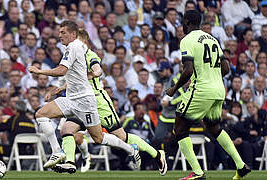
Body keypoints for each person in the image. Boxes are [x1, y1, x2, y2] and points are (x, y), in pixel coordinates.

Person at [48, 29, 167, 174]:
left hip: (99, 102)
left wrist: (91, 75)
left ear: (83, 42)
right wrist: (60, 88)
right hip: (81, 103)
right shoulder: (75, 58)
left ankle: (157, 154)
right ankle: (70, 163)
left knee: (122, 136)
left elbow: (98, 71)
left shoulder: (90, 55)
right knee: (66, 130)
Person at [27, 21, 140, 173]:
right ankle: (57, 152)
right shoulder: (73, 47)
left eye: (63, 32)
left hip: (85, 100)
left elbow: (62, 70)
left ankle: (130, 149)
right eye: (59, 32)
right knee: (41, 114)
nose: (59, 35)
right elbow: (69, 74)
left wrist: (39, 71)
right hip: (72, 98)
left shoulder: (74, 46)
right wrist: (56, 90)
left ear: (73, 35)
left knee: (98, 138)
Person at [165, 10, 250, 180]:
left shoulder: (187, 40)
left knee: (180, 127)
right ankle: (241, 166)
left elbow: (188, 70)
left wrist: (174, 89)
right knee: (214, 127)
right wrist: (213, 79)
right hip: (219, 89)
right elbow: (225, 68)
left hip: (202, 89)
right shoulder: (212, 39)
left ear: (187, 22)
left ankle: (197, 172)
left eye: (183, 22)